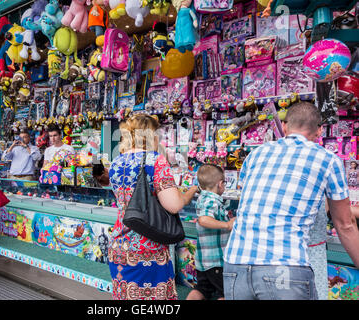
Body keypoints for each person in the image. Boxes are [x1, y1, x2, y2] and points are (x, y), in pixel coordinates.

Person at [223, 102, 359, 300]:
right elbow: (345, 224)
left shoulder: (256, 154)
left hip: (236, 263)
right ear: (319, 130)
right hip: (284, 265)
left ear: (285, 126)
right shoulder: (328, 159)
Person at [108, 114, 198, 300]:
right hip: (147, 249)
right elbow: (174, 205)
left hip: (118, 247)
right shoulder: (156, 160)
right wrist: (191, 191)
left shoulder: (116, 162)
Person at [186, 164, 236, 300]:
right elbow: (203, 220)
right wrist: (227, 224)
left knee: (201, 289)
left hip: (204, 261)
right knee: (226, 293)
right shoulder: (211, 200)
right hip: (216, 261)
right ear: (220, 184)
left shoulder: (203, 198)